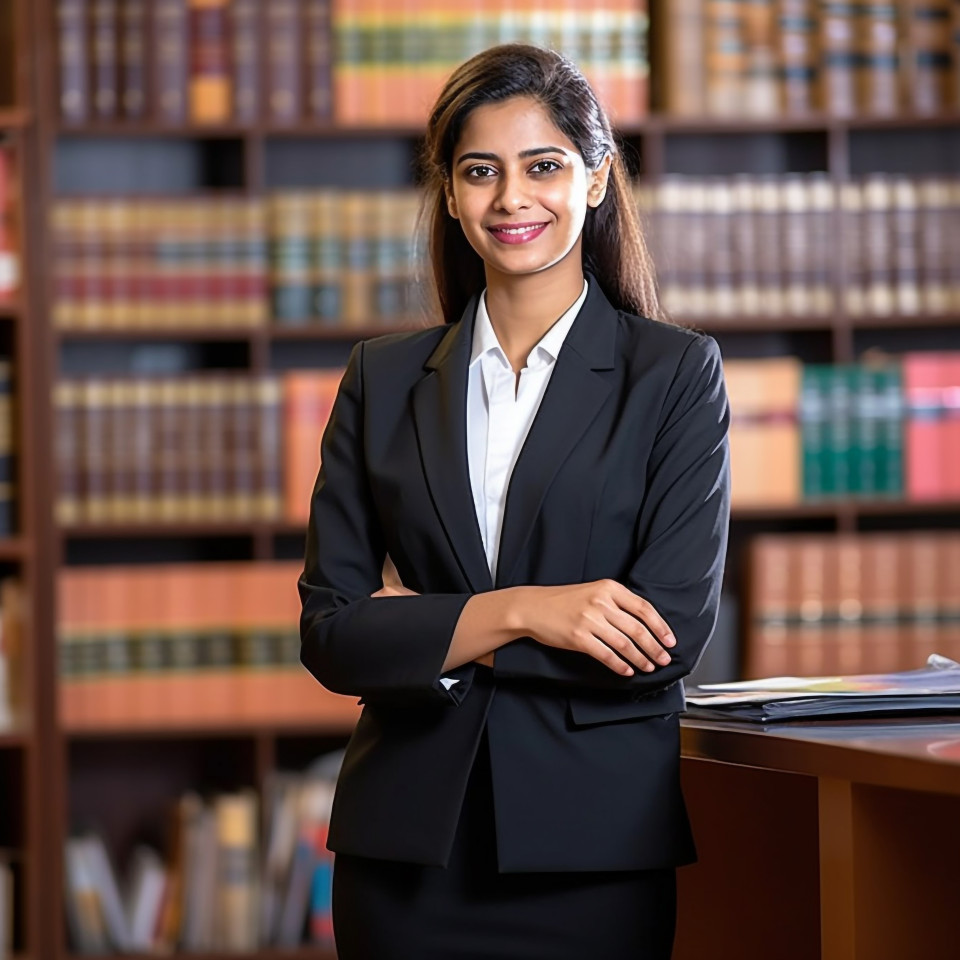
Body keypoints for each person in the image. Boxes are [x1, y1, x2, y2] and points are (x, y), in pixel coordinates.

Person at [298, 43, 731, 960]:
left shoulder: (674, 376)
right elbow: (333, 634)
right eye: (479, 172)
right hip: (407, 853)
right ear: (450, 195)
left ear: (597, 177)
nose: (511, 199)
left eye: (544, 166)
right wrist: (533, 611)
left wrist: (430, 635)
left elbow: (664, 640)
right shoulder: (381, 379)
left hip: (593, 851)